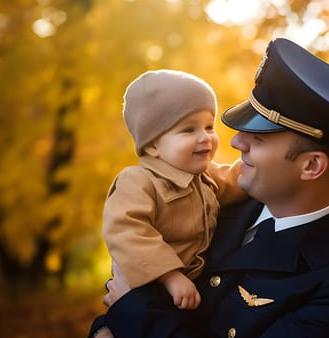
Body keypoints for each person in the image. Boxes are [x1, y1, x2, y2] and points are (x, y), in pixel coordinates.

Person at [86, 38, 329, 338]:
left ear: (311, 166)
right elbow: (143, 261)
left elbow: (130, 297)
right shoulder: (221, 199)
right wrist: (108, 330)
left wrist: (130, 310)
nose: (235, 142)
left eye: (261, 137)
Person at [101, 69, 246, 321]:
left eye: (209, 126)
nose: (205, 137)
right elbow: (128, 232)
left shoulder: (205, 176)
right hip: (147, 286)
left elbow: (237, 180)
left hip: (188, 295)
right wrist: (170, 276)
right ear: (152, 145)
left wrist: (264, 165)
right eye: (189, 130)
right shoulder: (138, 181)